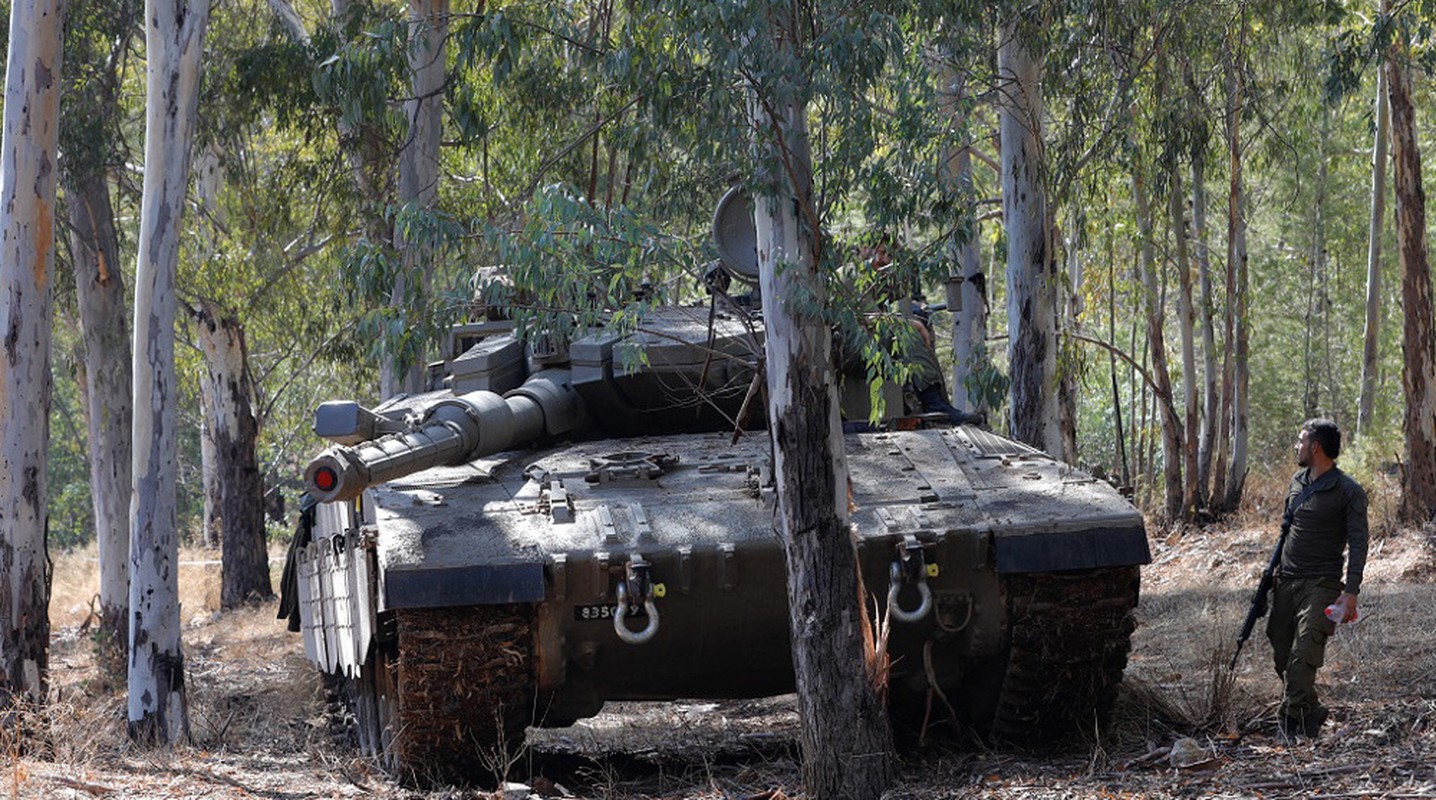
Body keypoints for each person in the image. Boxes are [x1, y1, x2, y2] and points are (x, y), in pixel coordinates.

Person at [1266, 418, 1368, 738]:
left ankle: (1290, 722)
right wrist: (1272, 572)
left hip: (1322, 583)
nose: (1297, 446)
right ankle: (1311, 710)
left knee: (1303, 653)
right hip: (1287, 581)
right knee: (1281, 652)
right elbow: (1287, 532)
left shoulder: (1348, 491)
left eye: (1301, 441)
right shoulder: (1297, 481)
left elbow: (1359, 543)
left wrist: (1350, 592)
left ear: (1316, 447)